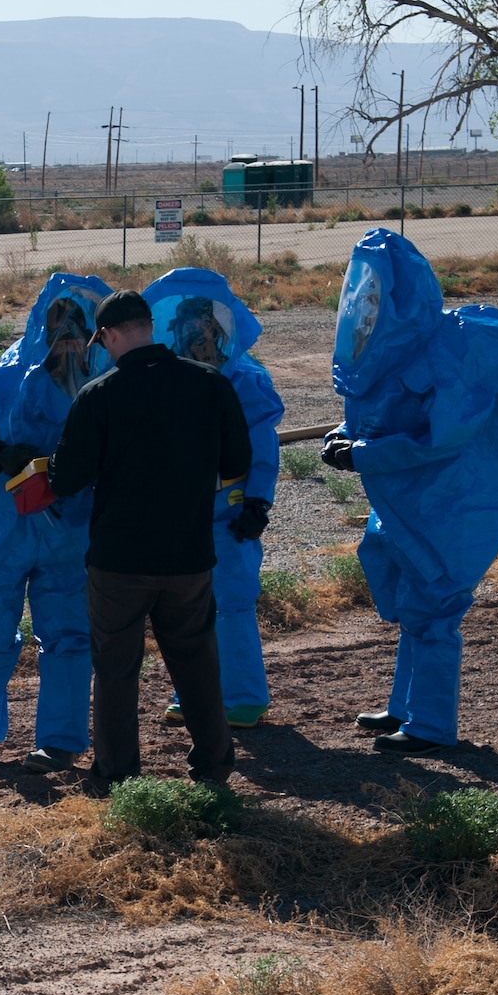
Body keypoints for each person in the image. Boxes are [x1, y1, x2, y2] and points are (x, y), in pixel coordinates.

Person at [323, 228, 498, 754]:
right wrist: (346, 438)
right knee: (414, 605)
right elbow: (380, 416)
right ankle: (405, 707)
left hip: (448, 503)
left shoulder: (450, 353)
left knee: (434, 609)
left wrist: (361, 454)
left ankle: (430, 725)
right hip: (407, 501)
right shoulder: (393, 350)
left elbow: (439, 439)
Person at [42, 289, 252, 785]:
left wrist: (47, 465)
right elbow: (237, 464)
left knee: (115, 670)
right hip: (189, 556)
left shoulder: (99, 394)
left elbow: (66, 478)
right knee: (197, 662)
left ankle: (119, 778)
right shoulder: (209, 384)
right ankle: (215, 766)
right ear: (149, 327)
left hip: (119, 561)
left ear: (108, 335)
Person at [0, 272, 113, 773]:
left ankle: (59, 741)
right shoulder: (1, 381)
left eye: (80, 324)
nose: (69, 335)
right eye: (60, 323)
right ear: (41, 326)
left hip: (71, 528)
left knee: (70, 636)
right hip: (0, 529)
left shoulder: (103, 383)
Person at [141, 269, 285, 729]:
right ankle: (194, 691)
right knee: (184, 606)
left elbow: (262, 446)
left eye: (203, 330)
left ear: (220, 330)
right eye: (186, 330)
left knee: (232, 602)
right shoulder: (166, 379)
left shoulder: (245, 380)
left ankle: (243, 697)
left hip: (229, 512)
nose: (195, 339)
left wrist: (257, 503)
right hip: (178, 514)